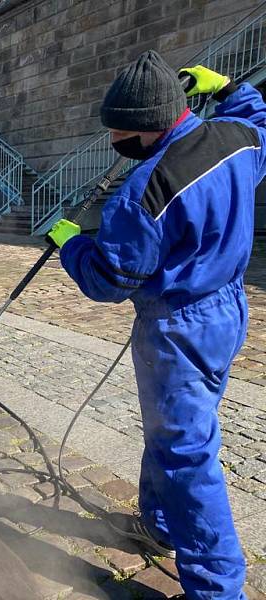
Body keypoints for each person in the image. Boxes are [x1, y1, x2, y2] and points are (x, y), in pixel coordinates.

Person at [47, 50, 264, 599]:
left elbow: (109, 280)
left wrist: (69, 243)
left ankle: (218, 589)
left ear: (145, 129)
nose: (111, 140)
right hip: (228, 311)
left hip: (177, 330)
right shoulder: (238, 141)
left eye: (116, 130)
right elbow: (257, 112)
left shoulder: (143, 192)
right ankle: (160, 525)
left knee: (186, 456)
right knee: (172, 432)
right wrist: (228, 87)